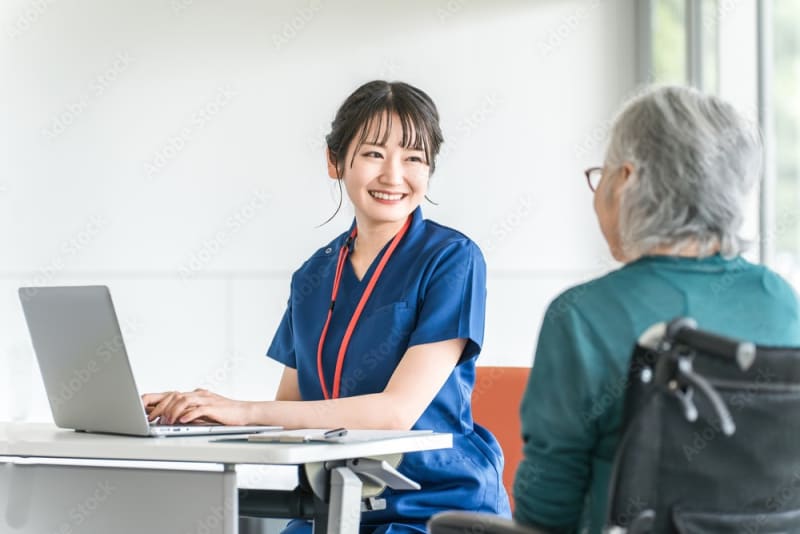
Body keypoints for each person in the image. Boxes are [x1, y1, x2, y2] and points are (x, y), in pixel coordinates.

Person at [143, 80, 511, 532]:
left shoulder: (452, 259)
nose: (394, 175)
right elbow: (288, 411)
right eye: (374, 153)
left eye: (414, 158)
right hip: (335, 503)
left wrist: (242, 410)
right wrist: (204, 416)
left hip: (436, 507)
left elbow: (396, 413)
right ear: (335, 161)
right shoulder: (312, 276)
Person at [513, 86, 800, 533]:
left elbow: (548, 511)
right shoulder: (780, 301)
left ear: (625, 180)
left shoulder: (582, 316)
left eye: (601, 175)